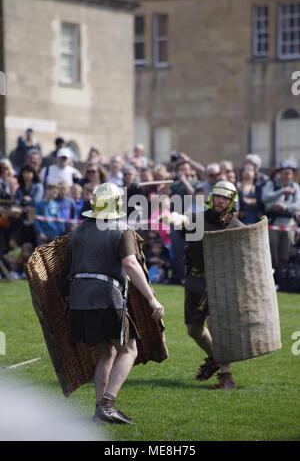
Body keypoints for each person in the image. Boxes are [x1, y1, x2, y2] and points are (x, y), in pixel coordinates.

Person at [68, 183, 164, 424]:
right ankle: (108, 403)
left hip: (79, 300)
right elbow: (130, 264)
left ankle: (99, 412)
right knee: (129, 350)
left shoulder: (80, 230)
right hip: (106, 297)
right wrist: (152, 300)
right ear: (118, 204)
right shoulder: (121, 229)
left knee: (107, 352)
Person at [171, 181, 243, 389]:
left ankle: (227, 377)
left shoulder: (236, 228)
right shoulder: (199, 219)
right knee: (194, 330)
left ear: (231, 202)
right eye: (218, 196)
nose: (220, 200)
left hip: (219, 282)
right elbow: (185, 221)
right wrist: (175, 218)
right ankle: (215, 358)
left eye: (225, 198)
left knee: (216, 326)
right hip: (195, 280)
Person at [262, 160, 300, 279]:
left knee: (287, 250)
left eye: (289, 173)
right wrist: (281, 191)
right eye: (285, 173)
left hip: (289, 223)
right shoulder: (272, 184)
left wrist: (285, 207)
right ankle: (271, 277)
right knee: (272, 249)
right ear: (280, 173)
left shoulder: (295, 186)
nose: (287, 176)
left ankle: (281, 277)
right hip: (273, 222)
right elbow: (265, 199)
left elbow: (298, 205)